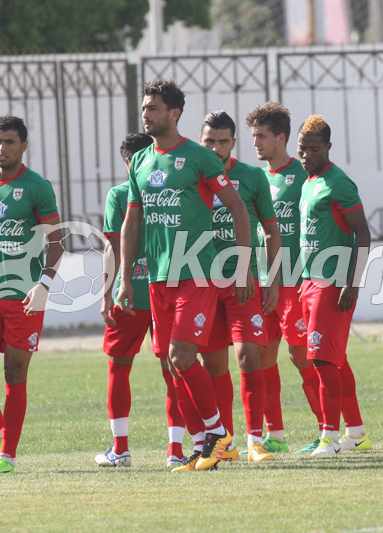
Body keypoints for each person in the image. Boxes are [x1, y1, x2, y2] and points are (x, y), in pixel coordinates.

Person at [118, 79, 252, 472]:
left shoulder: (199, 158)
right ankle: (203, 445)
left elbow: (237, 209)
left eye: (153, 108)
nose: (146, 113)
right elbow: (132, 222)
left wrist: (243, 265)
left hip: (196, 273)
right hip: (158, 278)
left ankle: (219, 435)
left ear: (174, 114)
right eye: (145, 107)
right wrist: (125, 279)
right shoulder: (141, 161)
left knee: (182, 356)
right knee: (172, 364)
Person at [0, 115, 64, 475]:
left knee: (14, 373)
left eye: (9, 142)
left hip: (24, 297)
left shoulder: (37, 187)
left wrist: (44, 284)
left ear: (23, 146)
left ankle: (7, 456)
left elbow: (57, 242)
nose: (1, 148)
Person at [95, 132, 192, 468]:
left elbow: (112, 246)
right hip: (168, 287)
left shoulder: (120, 194)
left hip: (131, 291)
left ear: (128, 162)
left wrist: (107, 293)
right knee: (173, 370)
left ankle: (120, 449)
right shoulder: (174, 190)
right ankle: (175, 451)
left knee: (119, 366)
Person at [197, 110, 281, 462]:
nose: (215, 148)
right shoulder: (190, 176)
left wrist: (271, 281)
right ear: (200, 141)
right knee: (214, 365)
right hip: (201, 283)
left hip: (243, 282)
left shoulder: (251, 177)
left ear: (234, 142)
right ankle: (225, 444)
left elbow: (271, 230)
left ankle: (255, 441)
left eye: (223, 142)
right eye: (209, 142)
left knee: (249, 356)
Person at [245, 102, 322, 453]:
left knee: (303, 357)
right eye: (253, 136)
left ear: (281, 138)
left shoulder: (303, 175)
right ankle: (275, 436)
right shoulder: (255, 179)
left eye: (262, 136)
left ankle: (328, 430)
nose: (256, 143)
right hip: (263, 282)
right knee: (262, 359)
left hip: (294, 281)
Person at [297, 114, 371, 456]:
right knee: (336, 361)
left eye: (314, 149)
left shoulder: (338, 183)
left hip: (334, 284)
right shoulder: (309, 182)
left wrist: (353, 283)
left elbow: (363, 234)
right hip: (310, 282)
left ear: (328, 147)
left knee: (323, 363)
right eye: (302, 148)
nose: (306, 155)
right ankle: (355, 433)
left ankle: (329, 437)